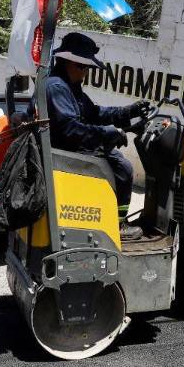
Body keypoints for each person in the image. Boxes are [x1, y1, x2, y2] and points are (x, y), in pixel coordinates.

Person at [40, 32, 149, 239]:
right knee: (123, 169)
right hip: (65, 153)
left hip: (70, 147)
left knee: (119, 162)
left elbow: (96, 113)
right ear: (71, 63)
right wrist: (109, 134)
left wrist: (128, 111)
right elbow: (70, 129)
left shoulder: (69, 88)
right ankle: (118, 226)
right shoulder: (57, 88)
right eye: (84, 67)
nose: (86, 72)